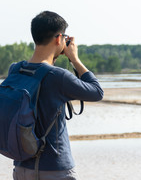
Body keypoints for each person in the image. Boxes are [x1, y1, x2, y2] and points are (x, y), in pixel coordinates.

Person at [12, 11, 104, 180]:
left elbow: (41, 76)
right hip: (54, 168)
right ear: (58, 38)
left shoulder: (16, 69)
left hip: (21, 168)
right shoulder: (58, 77)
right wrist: (75, 60)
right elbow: (97, 92)